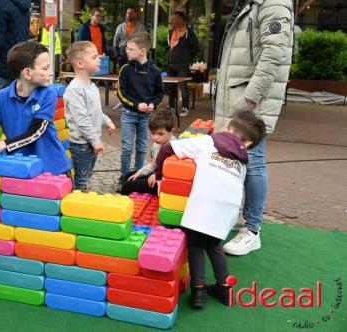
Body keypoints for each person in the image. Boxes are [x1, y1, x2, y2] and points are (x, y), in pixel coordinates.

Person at [155, 111, 267, 308]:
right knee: (214, 246)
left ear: (226, 129)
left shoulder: (207, 142)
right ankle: (224, 289)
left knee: (196, 245)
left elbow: (167, 149)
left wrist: (158, 176)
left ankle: (198, 292)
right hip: (228, 209)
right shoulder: (242, 160)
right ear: (248, 144)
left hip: (203, 203)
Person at [214, 0, 294, 256]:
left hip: (251, 101)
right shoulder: (251, 3)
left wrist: (249, 98)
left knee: (254, 161)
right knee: (241, 161)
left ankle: (253, 229)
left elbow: (274, 54)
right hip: (241, 96)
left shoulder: (273, 2)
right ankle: (243, 218)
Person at [0, 41, 71, 178]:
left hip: (53, 168)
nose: (51, 73)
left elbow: (36, 131)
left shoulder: (48, 94)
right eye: (45, 69)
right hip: (20, 169)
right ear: (27, 73)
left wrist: (1, 145)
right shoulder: (1, 97)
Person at [64, 41, 116, 191]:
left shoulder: (92, 86)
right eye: (94, 57)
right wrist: (95, 141)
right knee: (82, 180)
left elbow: (95, 111)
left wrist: (107, 121)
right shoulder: (75, 89)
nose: (99, 59)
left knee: (86, 176)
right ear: (80, 63)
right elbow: (82, 120)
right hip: (82, 145)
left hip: (91, 143)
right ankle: (78, 207)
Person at [116, 32, 164, 192]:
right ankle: (123, 178)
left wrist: (153, 104)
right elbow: (121, 93)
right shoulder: (126, 69)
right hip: (129, 114)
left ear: (142, 51)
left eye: (130, 49)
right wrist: (136, 105)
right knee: (127, 147)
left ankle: (137, 176)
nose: (126, 51)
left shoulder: (155, 71)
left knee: (143, 147)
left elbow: (159, 93)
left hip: (146, 116)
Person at [120, 111, 175, 196]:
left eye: (161, 134)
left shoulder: (174, 147)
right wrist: (140, 172)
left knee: (127, 186)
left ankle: (124, 206)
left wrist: (157, 175)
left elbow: (173, 171)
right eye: (153, 133)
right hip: (157, 174)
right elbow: (154, 164)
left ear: (171, 132)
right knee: (128, 176)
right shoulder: (158, 144)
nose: (156, 137)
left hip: (165, 181)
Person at [167, 10, 199, 117]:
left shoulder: (189, 33)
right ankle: (171, 106)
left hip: (182, 65)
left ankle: (185, 107)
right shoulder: (170, 32)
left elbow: (195, 48)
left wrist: (187, 58)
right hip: (171, 64)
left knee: (182, 86)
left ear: (181, 20)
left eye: (175, 18)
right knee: (171, 86)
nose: (172, 20)